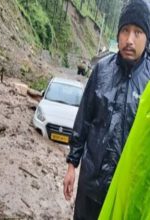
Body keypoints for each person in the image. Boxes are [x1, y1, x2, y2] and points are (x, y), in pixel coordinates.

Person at [63, 0, 150, 219]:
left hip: (125, 192)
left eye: (138, 32)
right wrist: (72, 165)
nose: (129, 40)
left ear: (147, 38)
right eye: (124, 31)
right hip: (91, 186)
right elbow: (83, 120)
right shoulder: (102, 71)